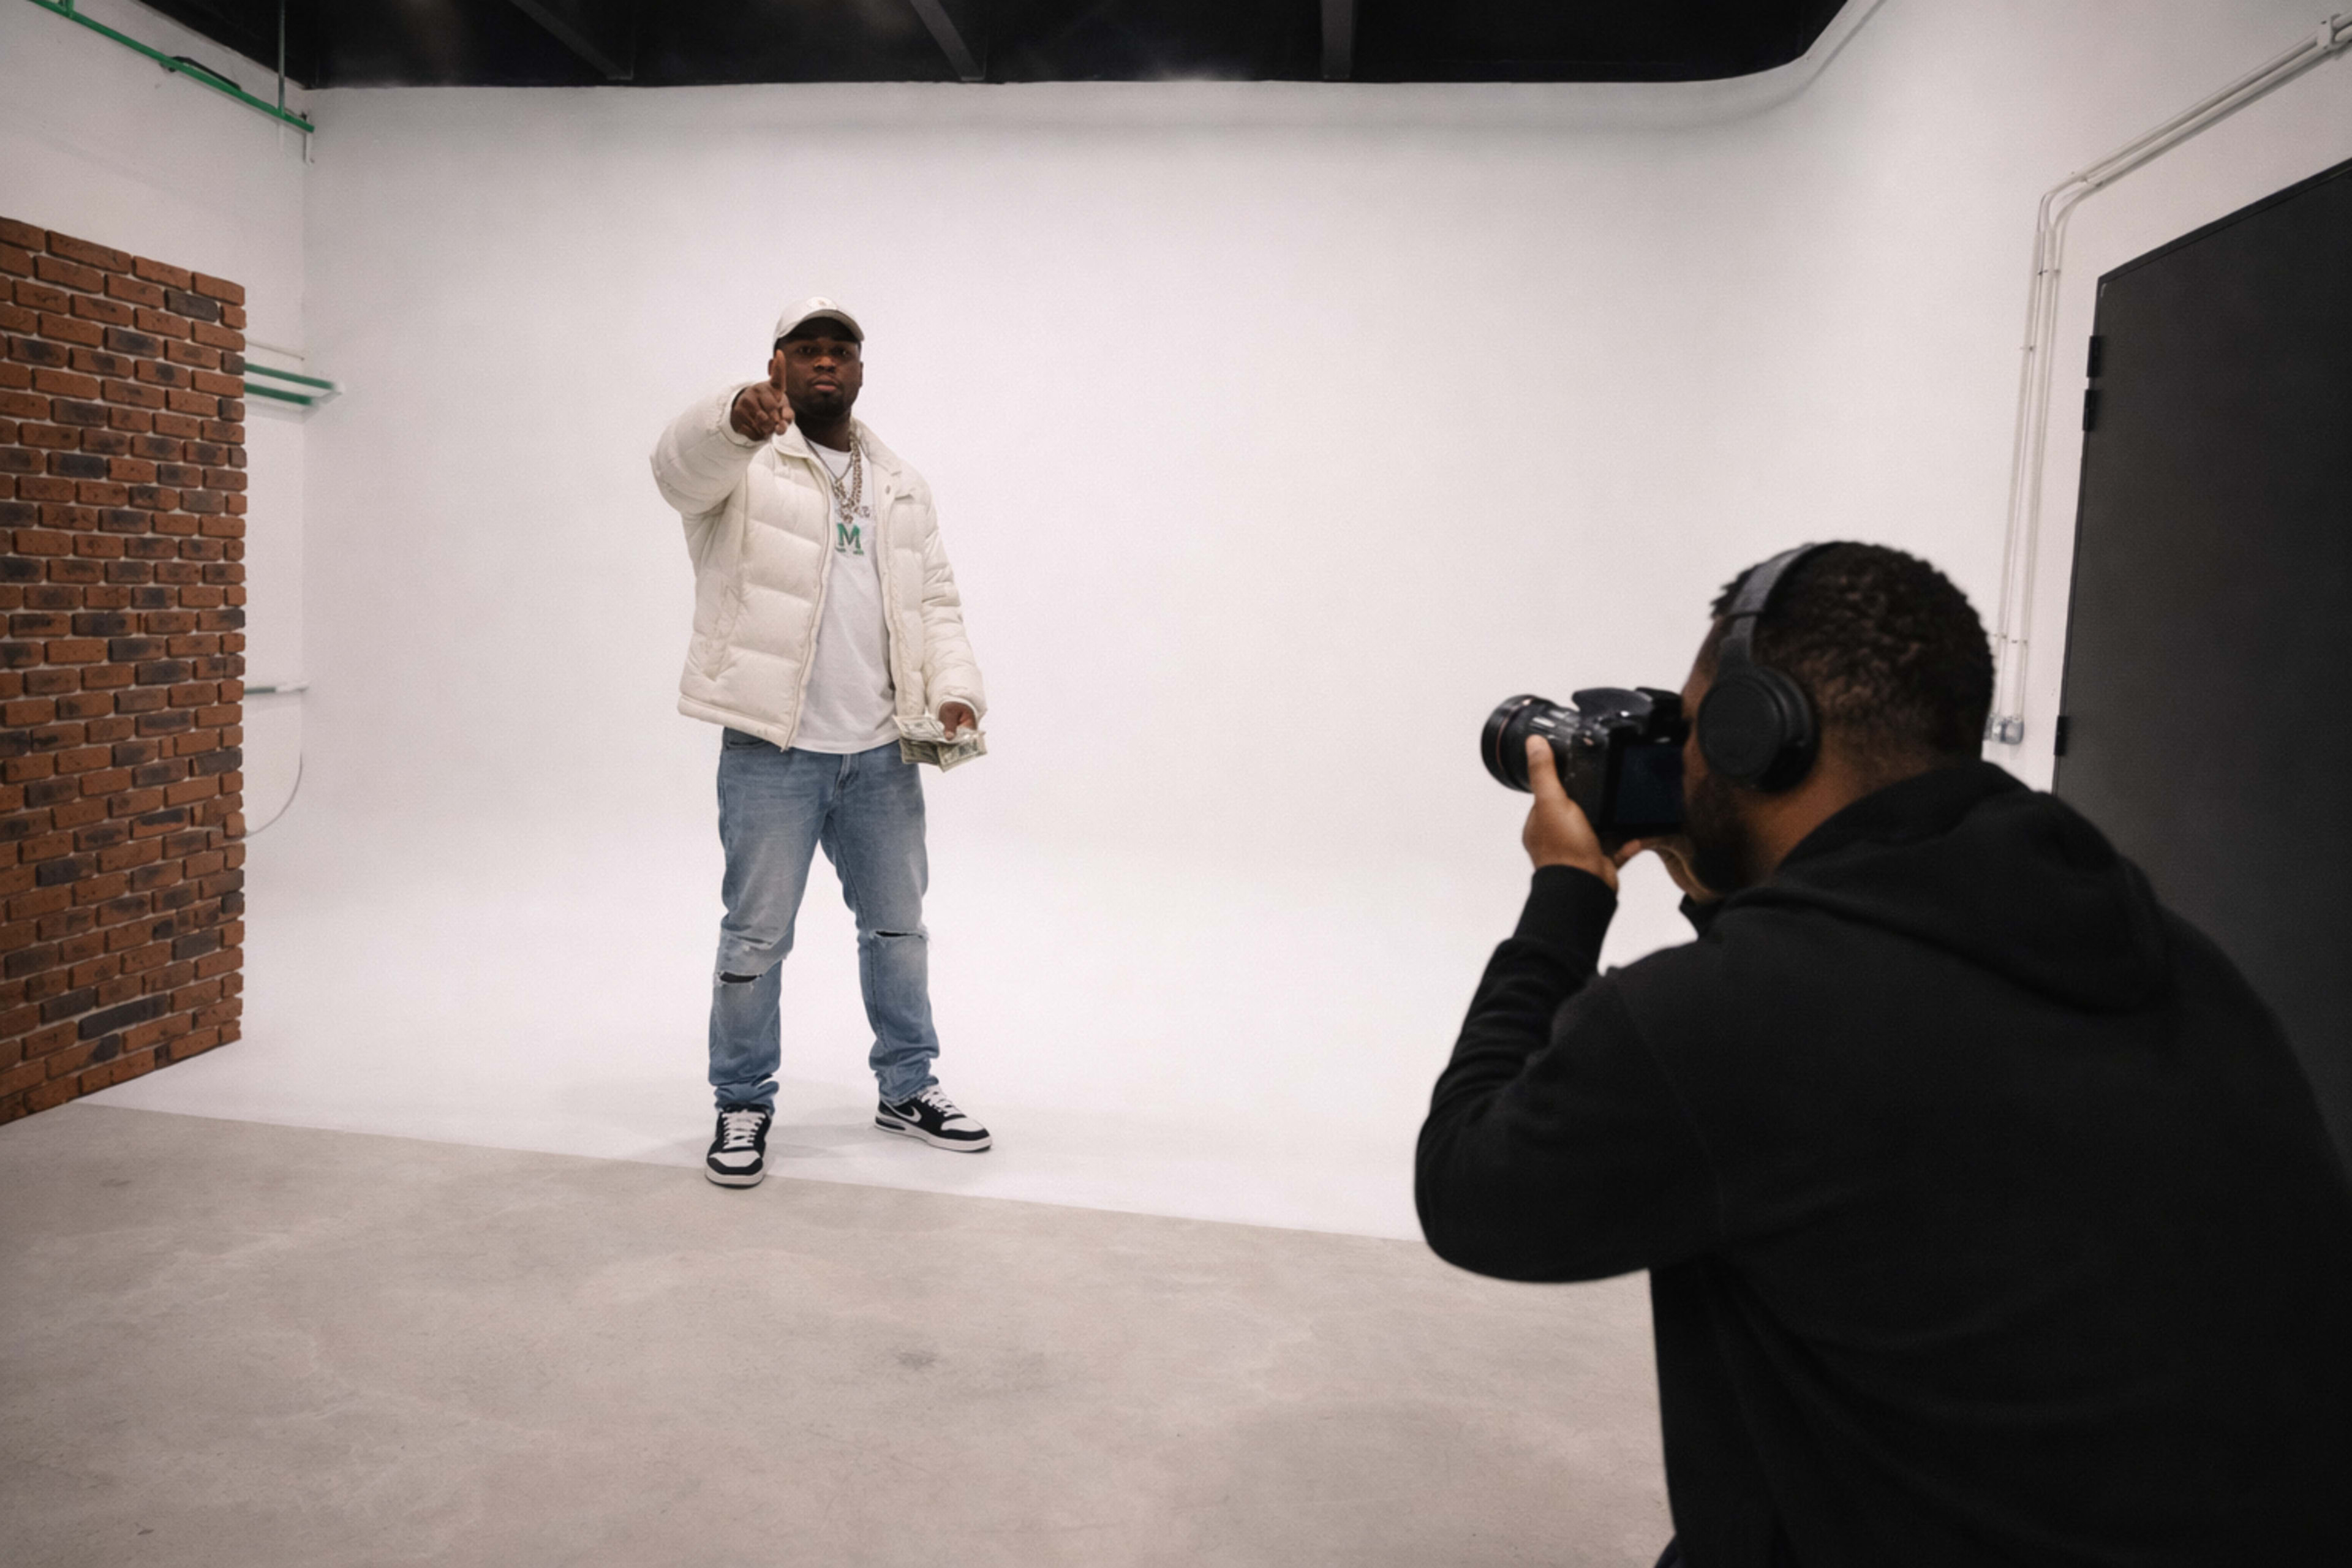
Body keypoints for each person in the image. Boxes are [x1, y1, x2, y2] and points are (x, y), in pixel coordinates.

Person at [1416, 542, 2352, 1566]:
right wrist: (1721, 883)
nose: (1680, 759)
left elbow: (1473, 1189)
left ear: (1752, 731)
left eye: (1692, 726)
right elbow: (1849, 1020)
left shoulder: (1728, 1025)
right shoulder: (2162, 952)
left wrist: (1567, 893)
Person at [650, 297, 993, 1188]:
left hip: (883, 754)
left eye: (842, 349)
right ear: (777, 366)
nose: (827, 362)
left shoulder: (902, 485)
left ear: (863, 368)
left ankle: (908, 1086)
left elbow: (936, 603)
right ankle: (742, 1101)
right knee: (756, 938)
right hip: (774, 750)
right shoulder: (743, 468)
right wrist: (731, 417)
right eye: (807, 349)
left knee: (898, 931)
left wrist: (954, 692)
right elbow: (674, 469)